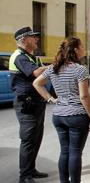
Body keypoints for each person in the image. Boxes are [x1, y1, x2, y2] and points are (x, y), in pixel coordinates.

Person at [32, 37, 90, 183]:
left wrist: (50, 99)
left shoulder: (54, 68)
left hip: (59, 115)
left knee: (65, 151)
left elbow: (36, 83)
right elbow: (84, 96)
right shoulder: (80, 70)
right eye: (82, 47)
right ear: (75, 50)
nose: (83, 50)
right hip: (77, 116)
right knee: (75, 152)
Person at [9, 27, 49, 183]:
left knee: (36, 138)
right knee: (27, 139)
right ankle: (24, 176)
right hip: (26, 105)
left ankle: (31, 169)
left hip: (37, 103)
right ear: (24, 40)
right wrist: (54, 66)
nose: (37, 39)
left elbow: (43, 77)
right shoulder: (19, 57)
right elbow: (38, 74)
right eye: (33, 37)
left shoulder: (33, 57)